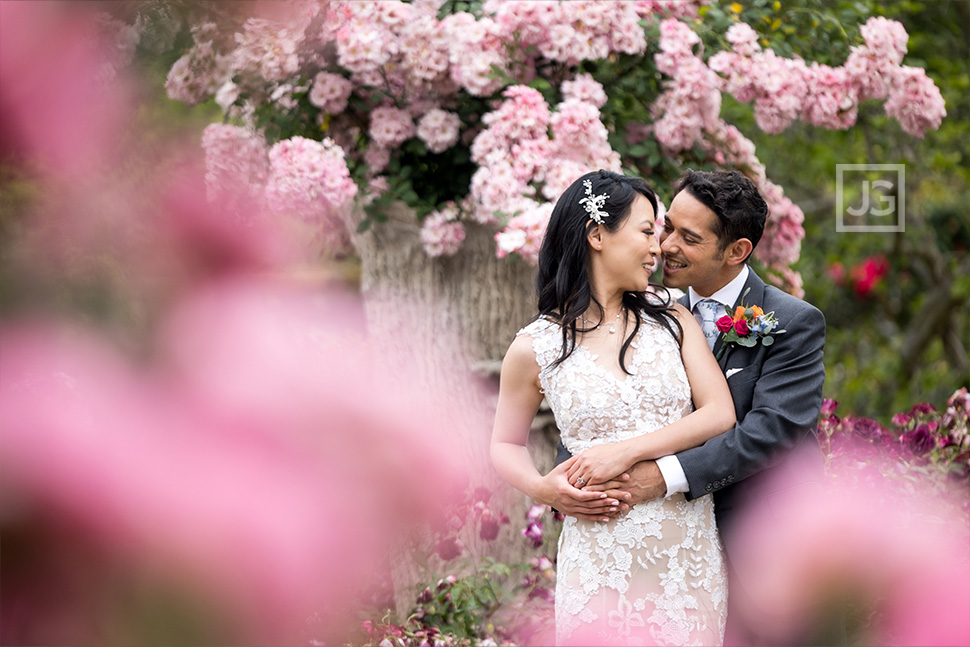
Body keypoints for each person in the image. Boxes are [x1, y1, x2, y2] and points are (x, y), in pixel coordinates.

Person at [558, 169, 828, 645]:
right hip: (661, 556)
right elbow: (597, 400)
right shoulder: (644, 314)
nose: (664, 246)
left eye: (689, 237)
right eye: (665, 229)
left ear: (737, 251)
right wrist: (575, 478)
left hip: (761, 553)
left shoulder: (792, 323)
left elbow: (770, 432)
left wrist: (660, 478)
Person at [491, 170, 737, 645]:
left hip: (684, 558)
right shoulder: (535, 346)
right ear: (597, 233)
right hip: (597, 555)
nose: (659, 247)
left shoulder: (672, 317)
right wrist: (547, 491)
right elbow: (504, 444)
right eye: (648, 231)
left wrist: (624, 452)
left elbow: (718, 413)